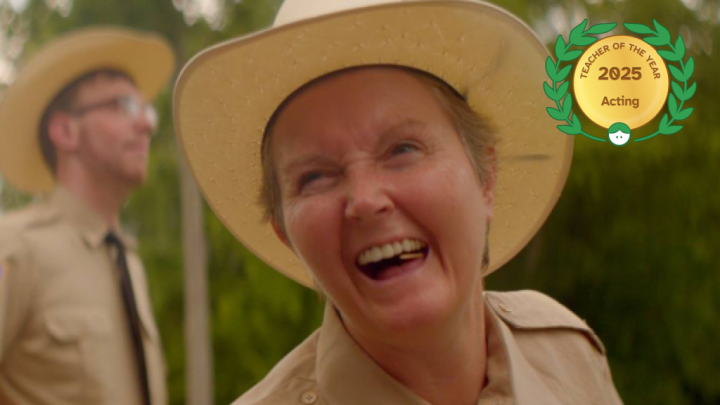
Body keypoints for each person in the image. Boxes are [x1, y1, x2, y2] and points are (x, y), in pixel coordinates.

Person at [174, 0, 624, 404]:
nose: (365, 201)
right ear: (286, 236)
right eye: (315, 177)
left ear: (486, 177)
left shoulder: (567, 355)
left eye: (403, 149)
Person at [0, 27, 174, 405]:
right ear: (65, 131)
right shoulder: (15, 248)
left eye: (145, 109)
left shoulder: (128, 263)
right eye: (122, 106)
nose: (146, 124)